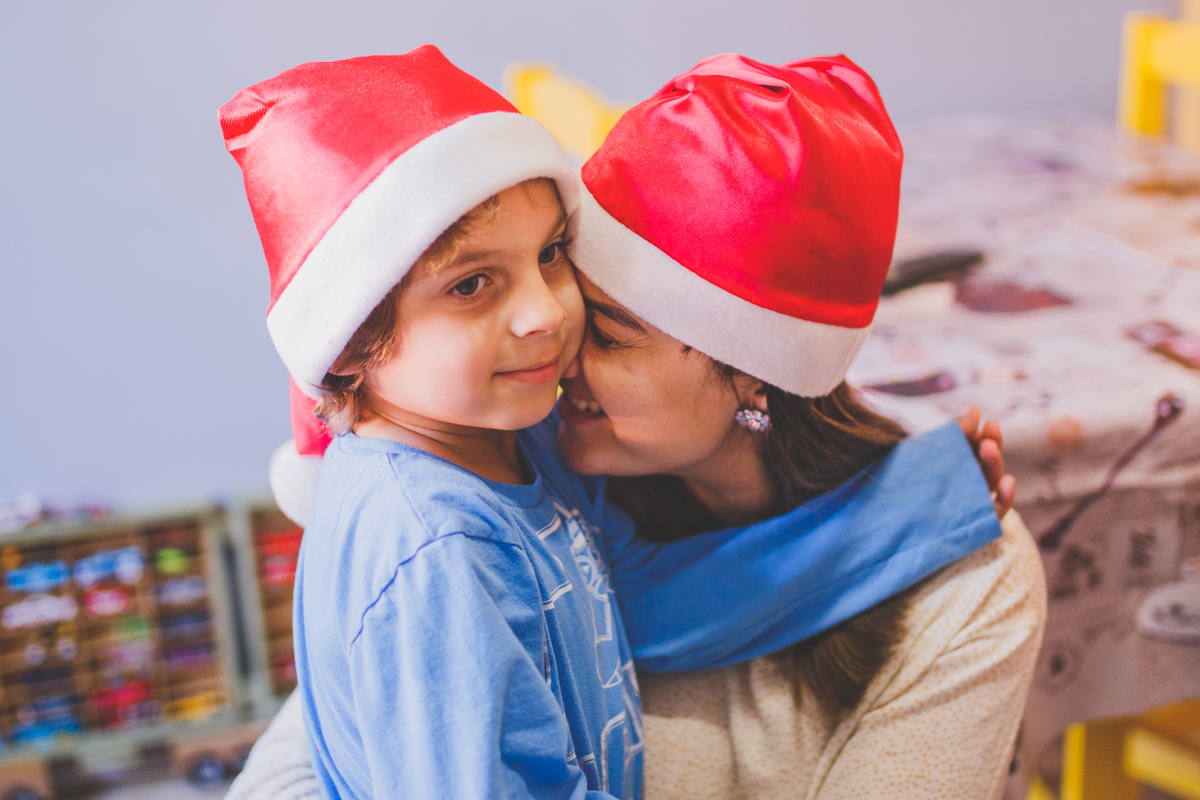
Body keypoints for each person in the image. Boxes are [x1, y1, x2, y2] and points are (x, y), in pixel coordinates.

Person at [221, 48, 1013, 800]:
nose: (546, 318)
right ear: (356, 339)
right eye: (471, 286)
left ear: (753, 372)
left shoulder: (513, 444)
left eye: (553, 254)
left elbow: (651, 601)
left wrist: (917, 506)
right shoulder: (432, 549)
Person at [561, 52, 1046, 798]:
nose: (559, 361)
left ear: (753, 365)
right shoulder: (527, 487)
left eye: (609, 333)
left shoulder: (953, 582)